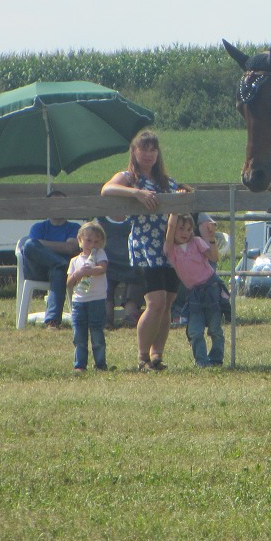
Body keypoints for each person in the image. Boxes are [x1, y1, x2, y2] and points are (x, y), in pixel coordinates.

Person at [101, 130, 185, 372]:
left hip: (169, 245)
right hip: (146, 246)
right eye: (143, 149)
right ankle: (142, 357)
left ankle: (157, 354)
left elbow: (180, 196)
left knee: (168, 302)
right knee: (155, 302)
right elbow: (107, 189)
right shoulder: (129, 178)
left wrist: (180, 196)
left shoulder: (166, 181)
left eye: (152, 149)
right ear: (134, 152)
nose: (148, 154)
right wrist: (136, 193)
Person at [164, 213, 224, 367]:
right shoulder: (171, 250)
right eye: (181, 228)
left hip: (211, 287)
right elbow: (170, 227)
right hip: (194, 294)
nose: (185, 233)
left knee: (215, 328)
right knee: (195, 331)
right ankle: (202, 362)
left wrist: (211, 237)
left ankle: (216, 359)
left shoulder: (196, 242)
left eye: (189, 229)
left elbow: (214, 257)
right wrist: (175, 210)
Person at [20, 190, 81, 328]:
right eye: (54, 204)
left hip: (60, 273)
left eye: (62, 204)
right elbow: (31, 247)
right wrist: (60, 248)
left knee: (58, 270)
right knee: (29, 245)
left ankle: (52, 321)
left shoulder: (74, 228)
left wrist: (42, 244)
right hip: (38, 270)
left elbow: (71, 248)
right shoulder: (38, 227)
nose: (58, 207)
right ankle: (60, 263)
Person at [66, 221, 109, 372]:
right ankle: (80, 365)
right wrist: (78, 274)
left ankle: (100, 364)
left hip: (96, 299)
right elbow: (69, 282)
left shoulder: (99, 255)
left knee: (97, 333)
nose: (92, 245)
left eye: (97, 241)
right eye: (89, 241)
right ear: (80, 240)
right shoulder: (75, 261)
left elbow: (102, 268)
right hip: (79, 301)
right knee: (79, 334)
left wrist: (88, 271)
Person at [100, 215, 144, 329]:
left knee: (136, 277)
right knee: (104, 283)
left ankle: (129, 316)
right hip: (109, 264)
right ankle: (107, 318)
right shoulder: (100, 221)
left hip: (130, 263)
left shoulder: (134, 220)